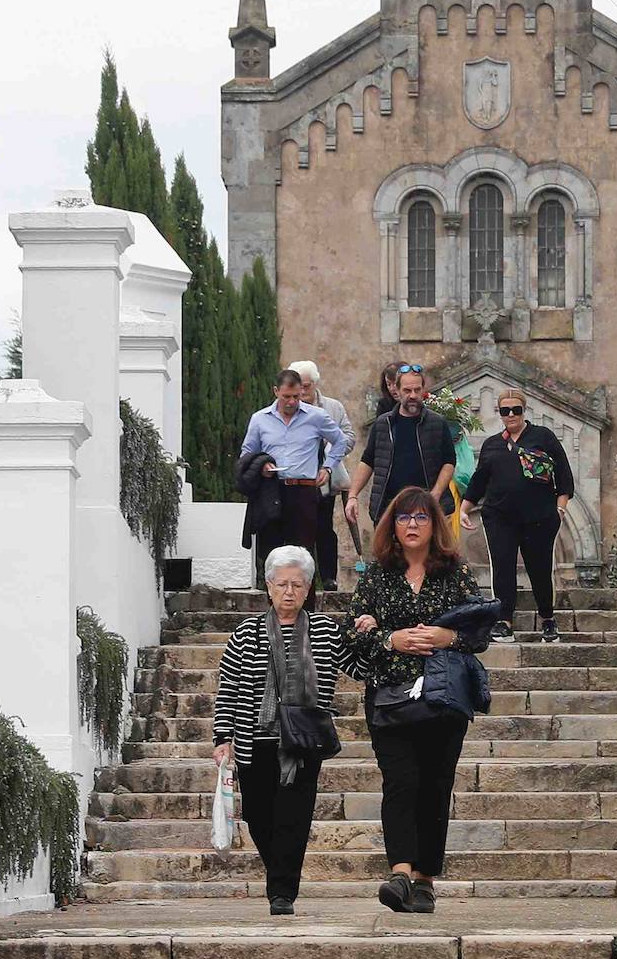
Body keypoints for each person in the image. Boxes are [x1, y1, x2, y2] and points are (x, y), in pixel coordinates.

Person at [344, 487, 485, 914]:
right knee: (400, 783)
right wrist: (390, 638)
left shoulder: (455, 573)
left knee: (435, 786)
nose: (411, 525)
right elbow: (352, 636)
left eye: (420, 518)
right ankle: (401, 873)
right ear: (392, 524)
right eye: (403, 518)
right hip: (390, 699)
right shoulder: (377, 576)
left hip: (444, 699)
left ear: (433, 524)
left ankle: (425, 879)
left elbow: (481, 630)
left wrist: (449, 636)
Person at [212, 545, 366, 915]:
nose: (289, 592)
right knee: (260, 817)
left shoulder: (326, 631)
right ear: (268, 587)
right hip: (254, 740)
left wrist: (366, 631)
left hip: (302, 740)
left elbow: (359, 668)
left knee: (294, 818)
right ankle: (279, 874)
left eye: (297, 585)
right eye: (281, 584)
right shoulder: (246, 633)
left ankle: (281, 893)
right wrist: (223, 737)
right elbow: (228, 686)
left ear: (308, 587)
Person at [460, 388, 574, 644]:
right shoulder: (492, 444)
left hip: (540, 516)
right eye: (505, 410)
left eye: (516, 410)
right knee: (502, 567)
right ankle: (504, 621)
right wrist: (464, 508)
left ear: (524, 410)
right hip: (499, 516)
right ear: (500, 413)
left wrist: (560, 508)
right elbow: (479, 481)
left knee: (541, 567)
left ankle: (547, 619)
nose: (511, 415)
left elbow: (564, 476)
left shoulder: (543, 437)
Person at [239, 368, 348, 605]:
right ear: (276, 391)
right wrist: (261, 466)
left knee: (303, 554)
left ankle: (306, 614)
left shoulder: (316, 416)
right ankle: (274, 612)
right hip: (271, 490)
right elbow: (247, 452)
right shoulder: (260, 419)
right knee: (272, 554)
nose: (291, 402)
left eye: (296, 397)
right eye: (286, 396)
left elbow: (341, 439)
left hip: (303, 490)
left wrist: (328, 467)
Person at [346, 364, 455, 532]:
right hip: (388, 508)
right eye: (407, 390)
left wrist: (436, 494)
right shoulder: (383, 424)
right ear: (397, 391)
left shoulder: (437, 423)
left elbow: (449, 462)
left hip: (427, 509)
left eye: (417, 390)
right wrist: (353, 496)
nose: (413, 395)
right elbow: (367, 461)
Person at [288, 359, 360, 590]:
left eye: (307, 385)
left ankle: (328, 577)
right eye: (299, 385)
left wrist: (332, 447)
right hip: (296, 478)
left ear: (315, 384)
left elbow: (349, 437)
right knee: (297, 529)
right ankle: (299, 577)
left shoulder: (333, 407)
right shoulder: (286, 406)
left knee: (324, 527)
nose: (302, 390)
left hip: (325, 477)